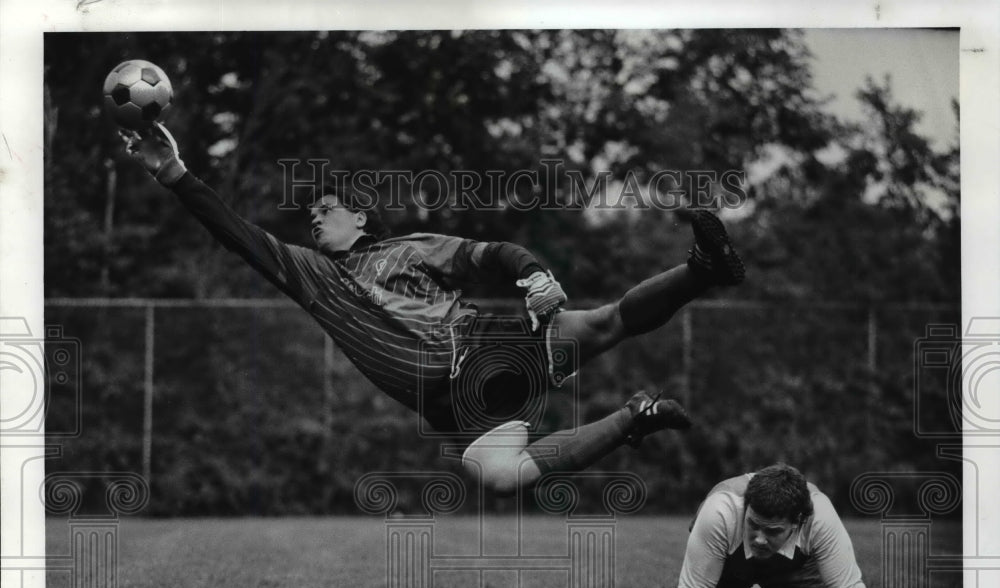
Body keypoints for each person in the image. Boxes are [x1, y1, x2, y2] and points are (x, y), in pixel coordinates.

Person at [121, 123, 746, 494]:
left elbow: (494, 251)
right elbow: (234, 231)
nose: (313, 215)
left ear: (360, 216)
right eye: (310, 212)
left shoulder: (409, 248)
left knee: (604, 323)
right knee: (502, 478)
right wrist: (175, 173)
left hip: (482, 353)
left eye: (327, 208)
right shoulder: (310, 275)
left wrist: (533, 274)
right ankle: (635, 415)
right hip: (458, 404)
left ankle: (701, 268)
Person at [673, 463, 871, 588]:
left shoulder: (820, 517)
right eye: (753, 525)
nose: (759, 539)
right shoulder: (720, 512)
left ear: (798, 522)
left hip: (793, 568)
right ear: (746, 508)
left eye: (772, 531)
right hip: (728, 564)